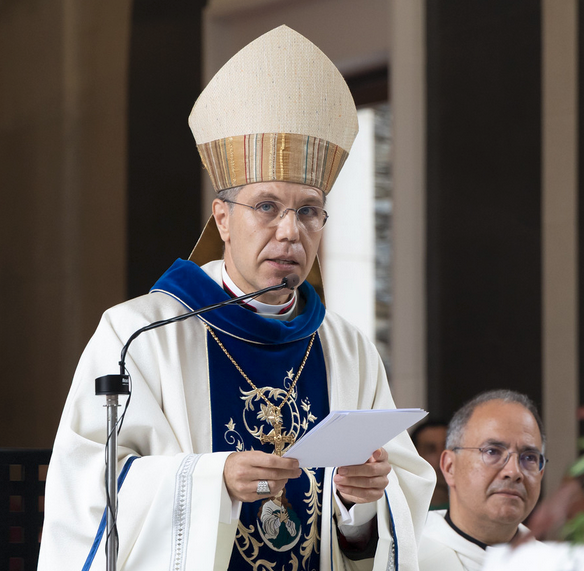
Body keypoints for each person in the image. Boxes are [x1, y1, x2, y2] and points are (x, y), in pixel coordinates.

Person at [37, 26, 434, 571]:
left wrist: (359, 505)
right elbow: (86, 492)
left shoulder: (347, 349)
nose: (290, 231)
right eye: (267, 207)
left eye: (308, 211)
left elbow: (396, 503)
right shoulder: (139, 337)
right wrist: (212, 479)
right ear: (223, 219)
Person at [418, 390, 546, 571]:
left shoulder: (559, 564)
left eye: (529, 457)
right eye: (492, 452)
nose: (514, 472)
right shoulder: (404, 558)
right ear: (450, 467)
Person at [411, 419, 449, 510]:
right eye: (430, 450)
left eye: (447, 447)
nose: (441, 456)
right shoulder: (403, 509)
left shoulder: (473, 510)